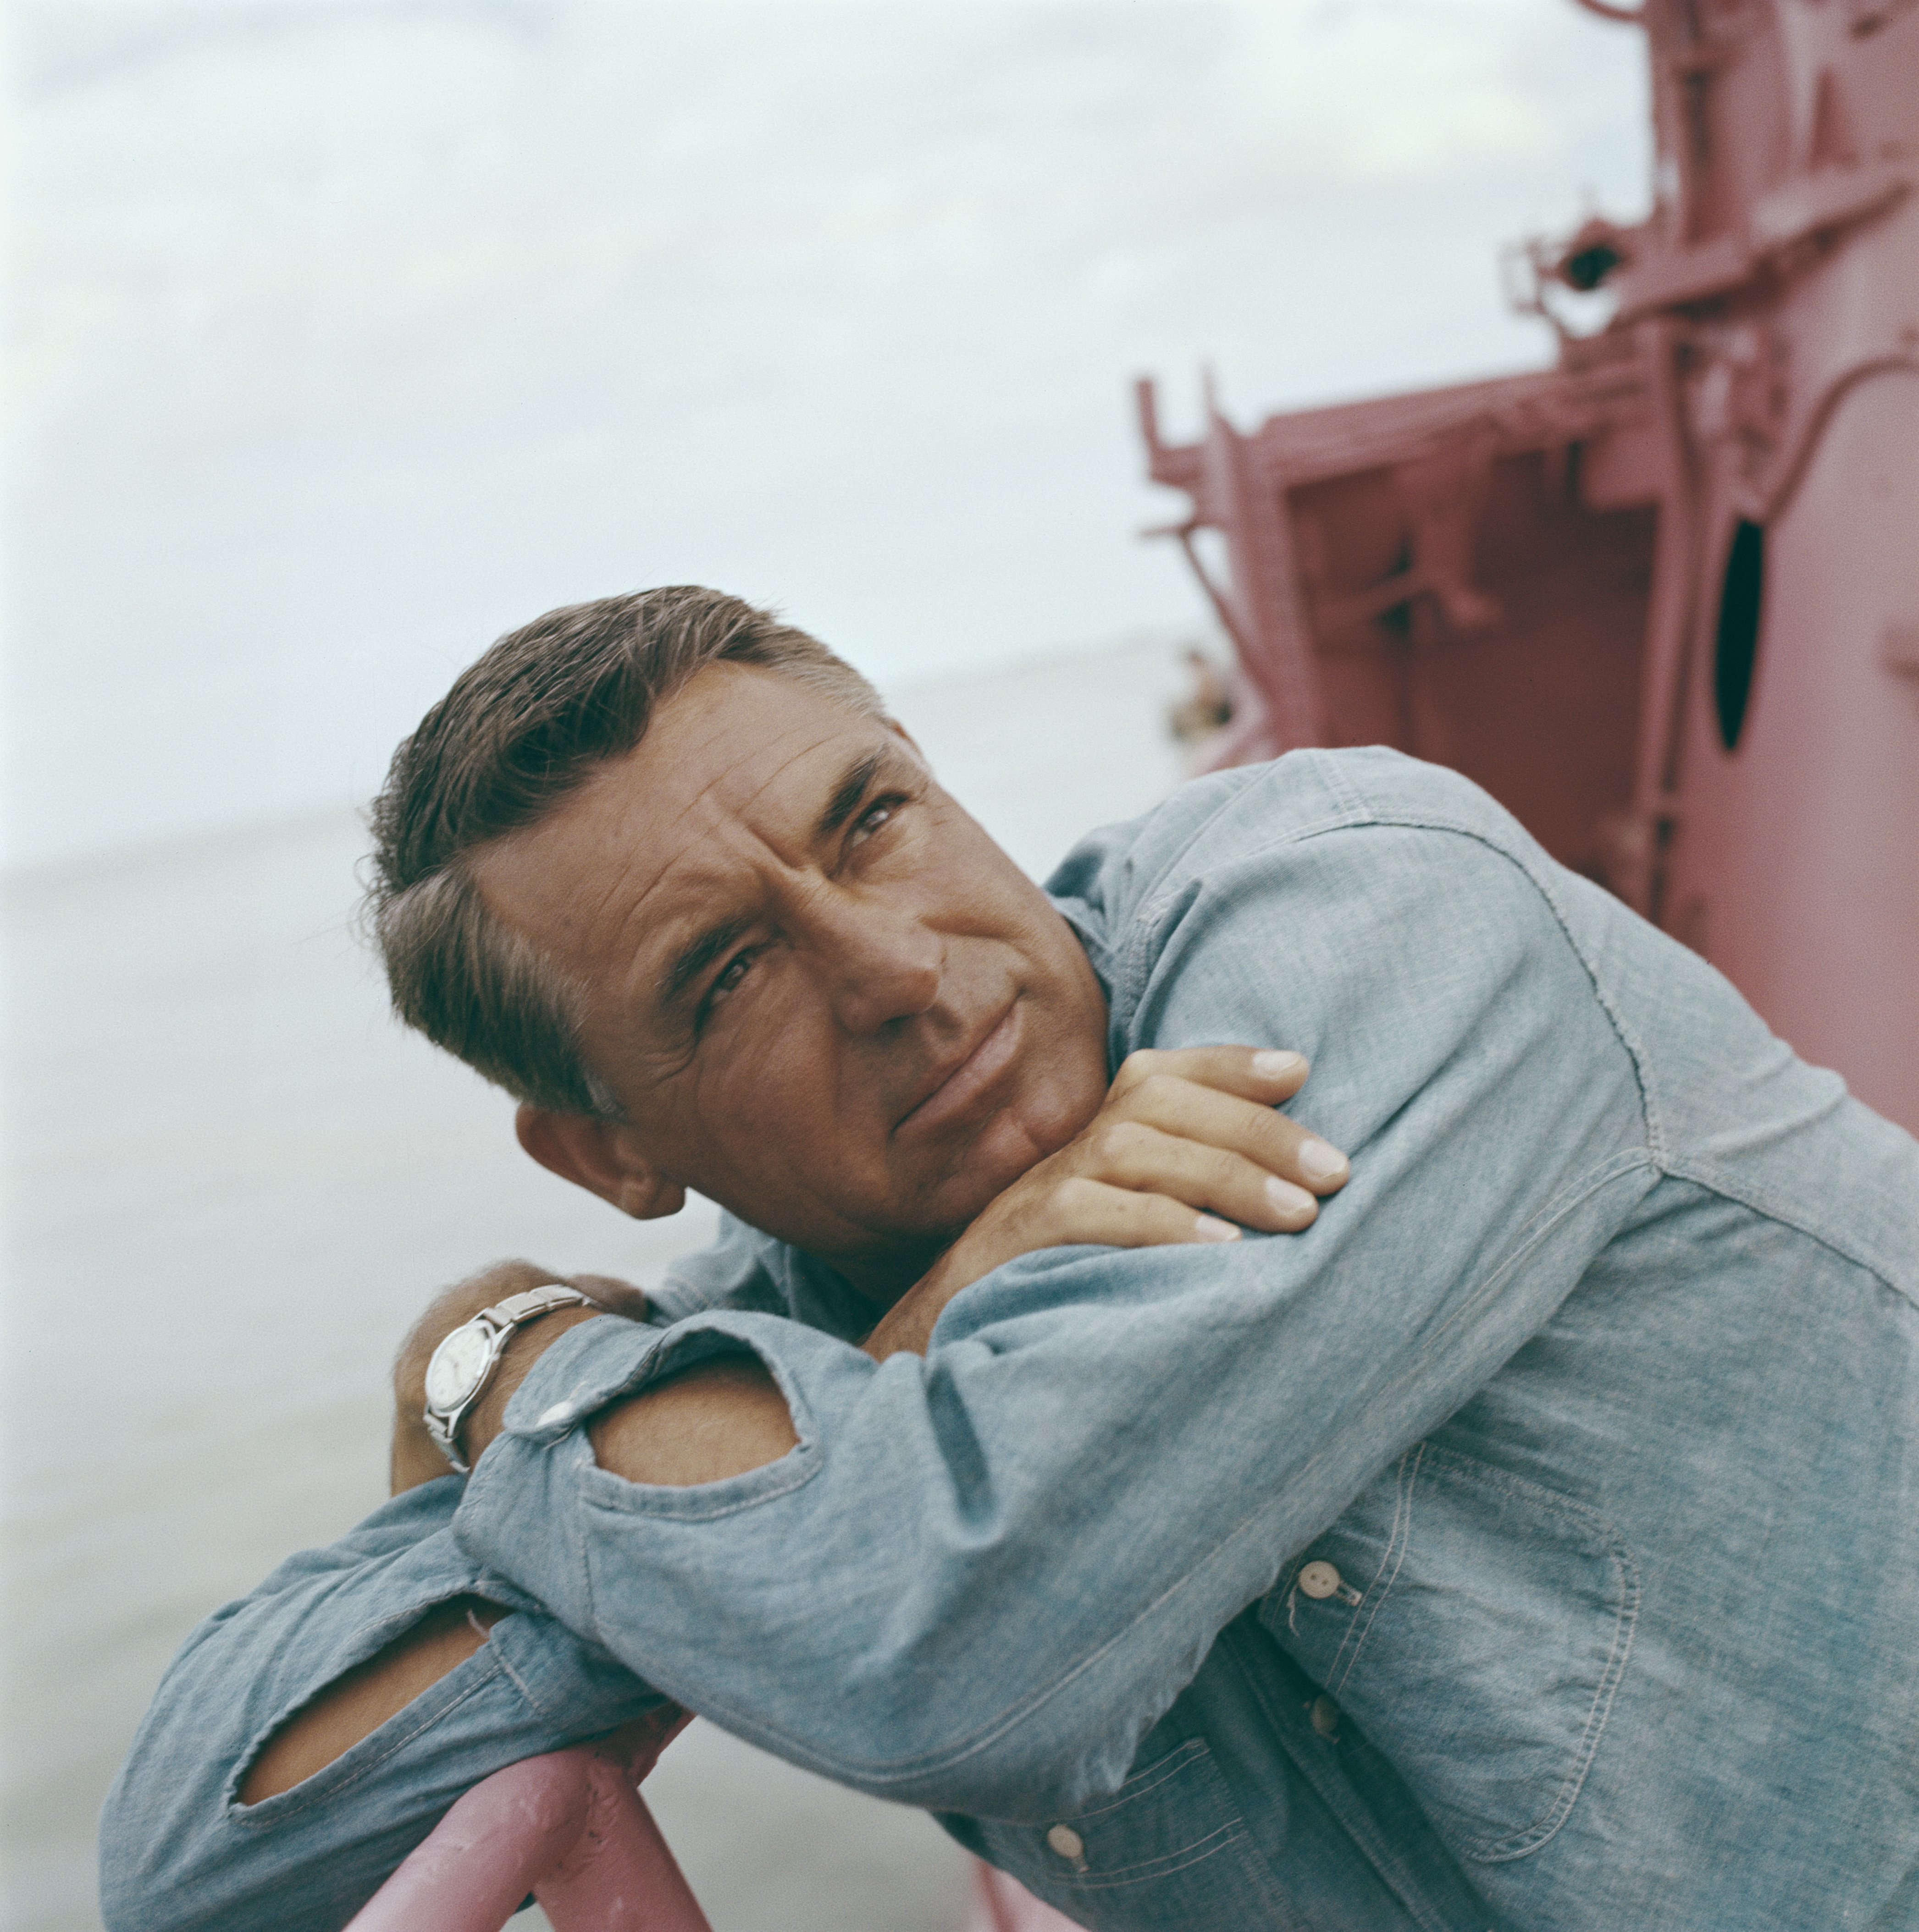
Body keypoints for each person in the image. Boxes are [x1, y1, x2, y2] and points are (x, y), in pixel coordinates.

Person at [102, 587, 1919, 1931]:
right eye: (725, 976)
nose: (894, 970)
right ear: (609, 1153)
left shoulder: (1365, 916)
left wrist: (497, 1371)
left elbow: (945, 1627)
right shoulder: (775, 1349)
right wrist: (561, 1371)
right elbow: (195, 1860)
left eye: (871, 820)